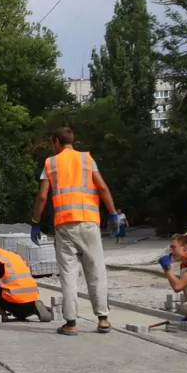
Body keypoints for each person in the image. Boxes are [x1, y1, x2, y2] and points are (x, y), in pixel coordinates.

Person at [30, 127, 117, 336]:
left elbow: (42, 196)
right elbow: (103, 187)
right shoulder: (87, 160)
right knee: (96, 270)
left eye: (52, 143)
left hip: (65, 226)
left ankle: (71, 323)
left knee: (69, 275)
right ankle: (103, 319)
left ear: (57, 142)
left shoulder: (51, 163)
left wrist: (35, 221)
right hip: (89, 222)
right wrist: (113, 213)